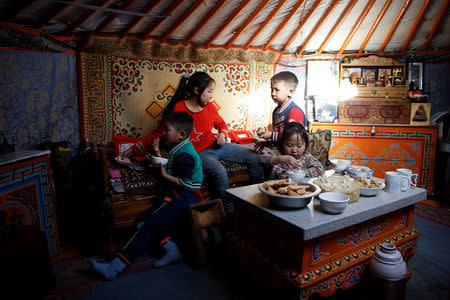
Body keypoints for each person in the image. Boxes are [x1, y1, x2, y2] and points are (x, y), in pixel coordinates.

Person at [121, 72, 264, 213]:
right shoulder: (178, 108)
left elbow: (222, 125)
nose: (211, 95)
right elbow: (159, 133)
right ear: (196, 90)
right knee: (219, 172)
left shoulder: (210, 107)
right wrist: (134, 149)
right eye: (209, 91)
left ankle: (256, 203)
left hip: (217, 146)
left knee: (253, 156)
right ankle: (229, 213)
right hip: (199, 153)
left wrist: (223, 134)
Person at [90, 111, 203, 280]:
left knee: (148, 224)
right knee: (144, 219)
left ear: (181, 134)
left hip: (185, 196)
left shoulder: (185, 155)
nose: (163, 133)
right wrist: (157, 152)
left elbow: (189, 183)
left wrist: (165, 177)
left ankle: (114, 267)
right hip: (177, 194)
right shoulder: (179, 148)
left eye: (167, 130)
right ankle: (172, 250)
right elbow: (170, 167)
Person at [255, 71, 306, 153]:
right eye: (271, 89)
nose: (272, 93)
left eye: (277, 90)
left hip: (292, 154)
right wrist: (267, 142)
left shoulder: (294, 111)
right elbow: (278, 137)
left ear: (290, 92)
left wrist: (271, 135)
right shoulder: (276, 111)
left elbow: (293, 137)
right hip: (280, 150)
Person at [258, 122, 324, 179]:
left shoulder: (306, 156)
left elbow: (320, 169)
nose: (294, 150)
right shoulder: (277, 152)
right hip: (275, 188)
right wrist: (280, 159)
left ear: (305, 146)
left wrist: (300, 173)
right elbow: (261, 159)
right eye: (289, 146)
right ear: (282, 143)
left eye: (299, 146)